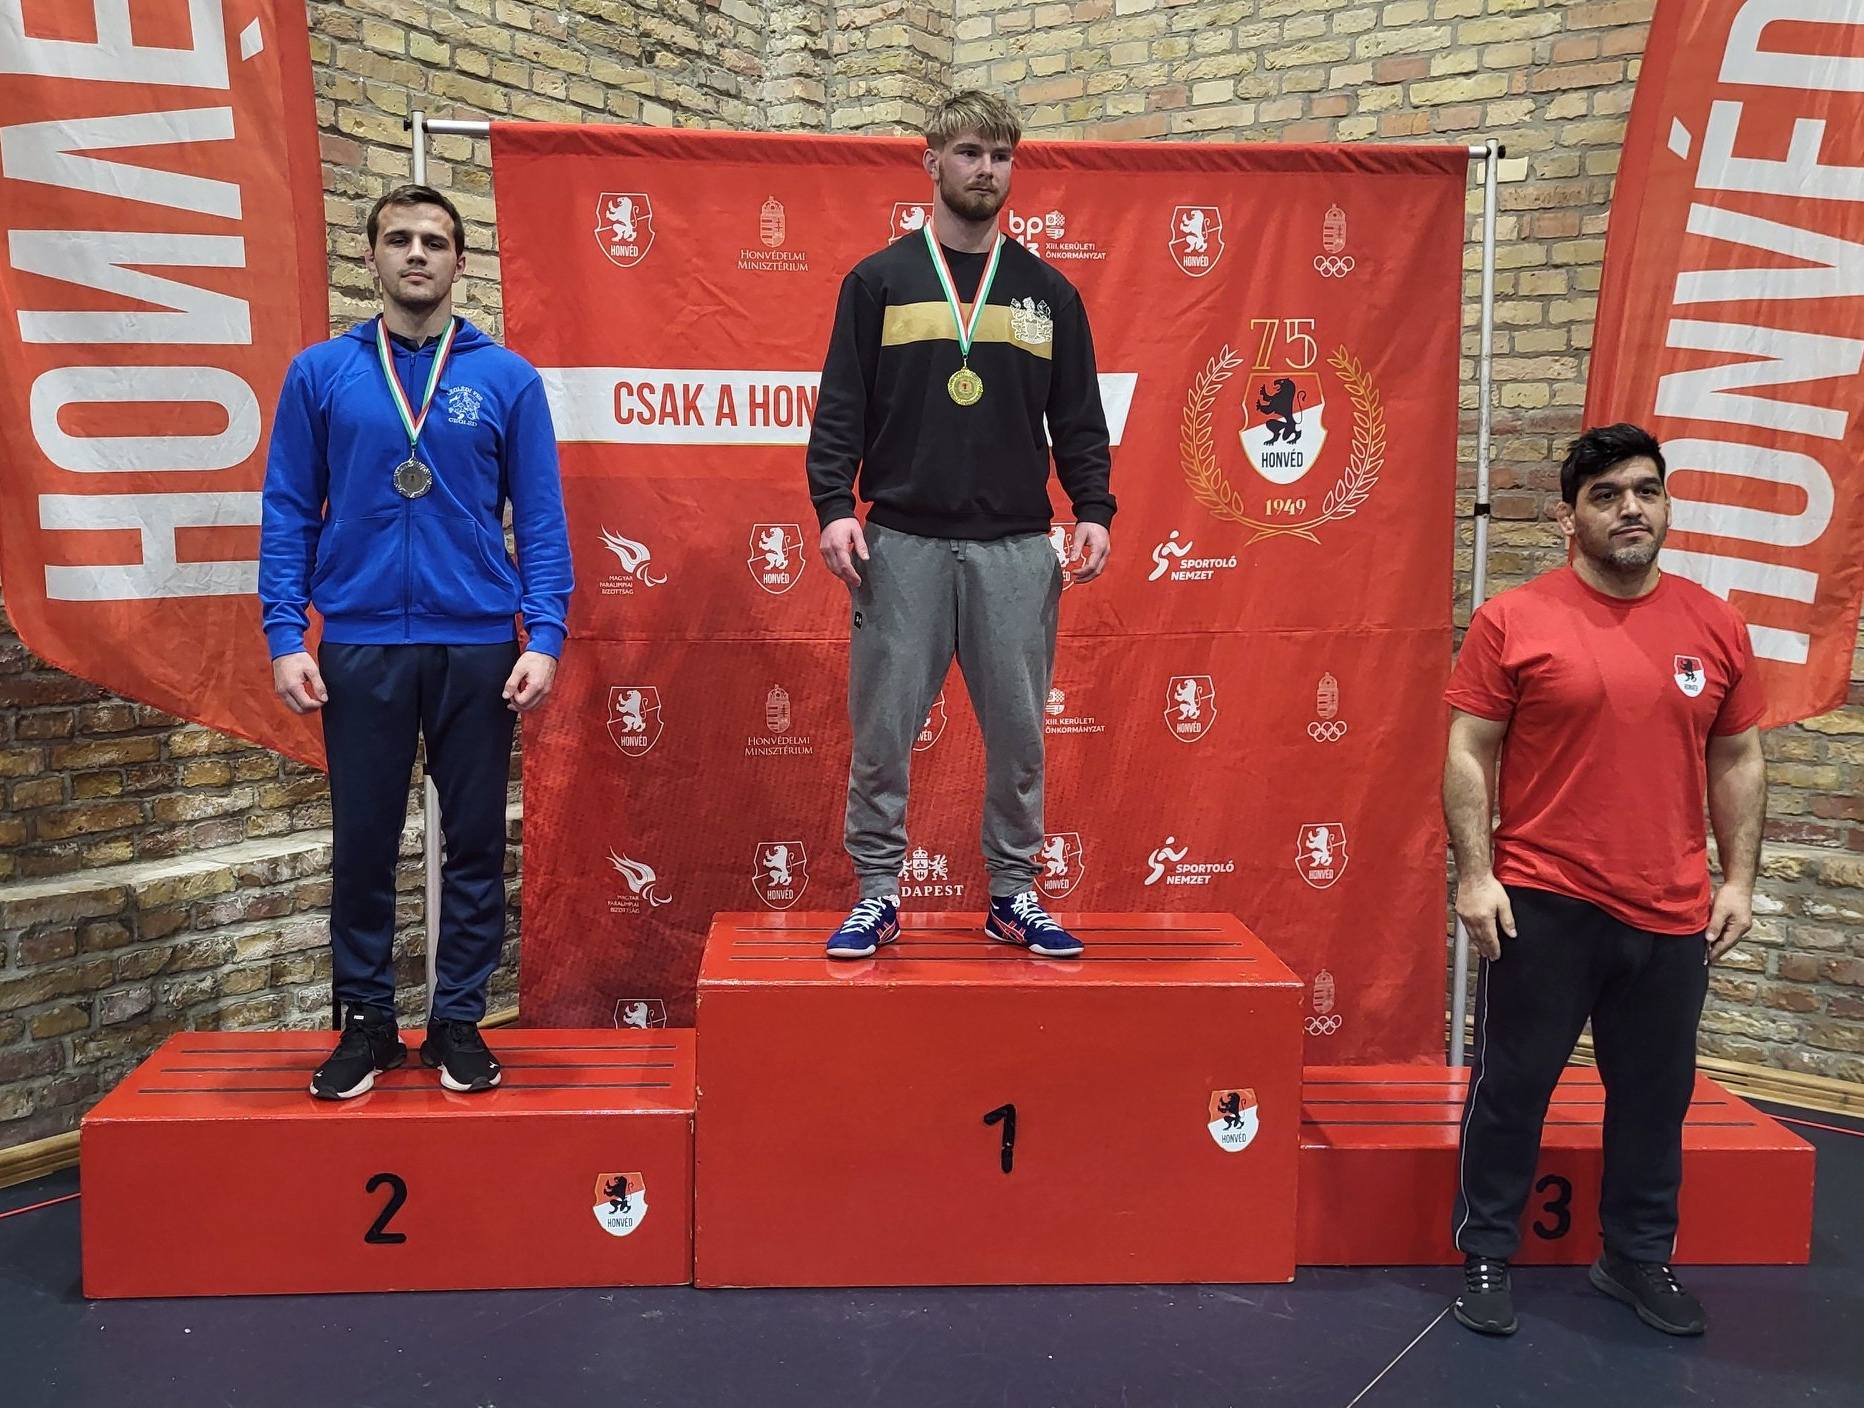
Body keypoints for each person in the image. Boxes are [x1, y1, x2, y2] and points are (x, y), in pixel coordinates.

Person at [1441, 423, 1766, 1337]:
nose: (1631, 509)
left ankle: (1635, 1257)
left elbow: (1737, 757)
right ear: (1568, 517)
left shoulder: (1716, 624)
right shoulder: (1514, 619)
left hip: (1671, 910)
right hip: (1544, 901)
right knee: (1514, 1090)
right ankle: (1486, 1253)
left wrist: (1739, 882)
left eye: (1646, 491)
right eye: (1607, 495)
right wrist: (1475, 875)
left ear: (1665, 505)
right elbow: (1468, 750)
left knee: (1656, 1101)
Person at [260, 185, 573, 1098]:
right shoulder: (321, 374)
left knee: (474, 843)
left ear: (460, 263)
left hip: (477, 643)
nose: (417, 254)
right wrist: (286, 631)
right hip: (360, 642)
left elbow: (541, 518)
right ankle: (365, 1023)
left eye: (435, 241)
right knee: (363, 843)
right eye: (398, 239)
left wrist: (544, 634)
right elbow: (289, 509)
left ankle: (458, 1020)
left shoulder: (506, 379)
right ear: (371, 257)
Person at [805, 90, 1115, 961]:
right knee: (882, 734)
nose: (986, 170)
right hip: (900, 544)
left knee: (1019, 739)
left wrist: (1094, 508)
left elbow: (1079, 420)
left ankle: (1012, 894)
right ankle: (877, 894)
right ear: (932, 161)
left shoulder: (1048, 294)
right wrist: (834, 507)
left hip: (1017, 548)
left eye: (1000, 156)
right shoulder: (879, 281)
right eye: (970, 152)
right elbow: (841, 410)